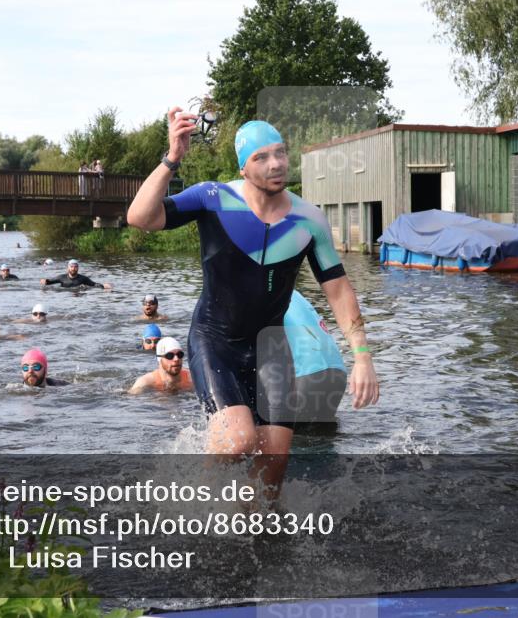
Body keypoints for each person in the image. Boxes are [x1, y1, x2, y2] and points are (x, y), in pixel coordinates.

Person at [126, 110, 380, 497]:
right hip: (216, 339)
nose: (276, 163)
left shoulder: (308, 220)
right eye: (262, 157)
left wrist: (362, 356)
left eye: (280, 153)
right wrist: (172, 157)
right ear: (244, 168)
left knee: (273, 467)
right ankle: (196, 508)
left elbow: (339, 289)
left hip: (272, 347)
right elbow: (139, 217)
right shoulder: (213, 199)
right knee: (238, 441)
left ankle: (256, 534)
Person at [284, 291, 347, 425]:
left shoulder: (250, 290)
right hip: (337, 372)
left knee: (287, 442)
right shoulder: (289, 289)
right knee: (322, 439)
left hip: (307, 374)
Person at [129, 337, 194, 394]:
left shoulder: (192, 378)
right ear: (159, 359)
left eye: (180, 354)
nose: (176, 359)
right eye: (170, 356)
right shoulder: (145, 382)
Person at [40, 259, 112, 289]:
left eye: (75, 267)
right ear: (68, 268)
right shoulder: (61, 277)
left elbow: (94, 284)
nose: (73, 268)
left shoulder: (83, 278)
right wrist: (44, 281)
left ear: (78, 268)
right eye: (71, 267)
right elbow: (49, 281)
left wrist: (103, 286)